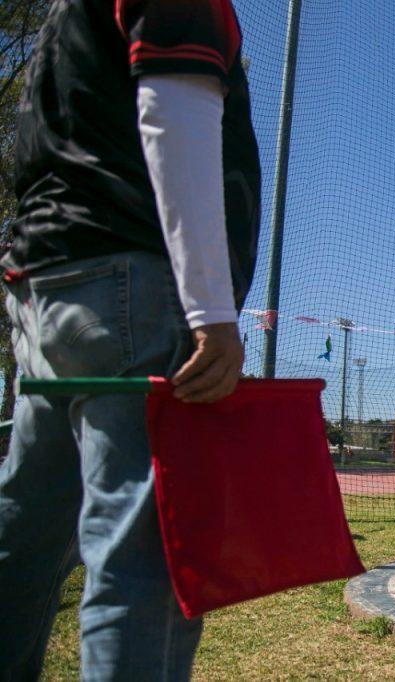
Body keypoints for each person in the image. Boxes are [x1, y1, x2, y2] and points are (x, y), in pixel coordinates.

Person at [0, 1, 260, 679]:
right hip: (128, 283)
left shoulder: (63, 17)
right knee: (146, 555)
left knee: (28, 531)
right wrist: (212, 311)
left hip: (45, 284)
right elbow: (171, 112)